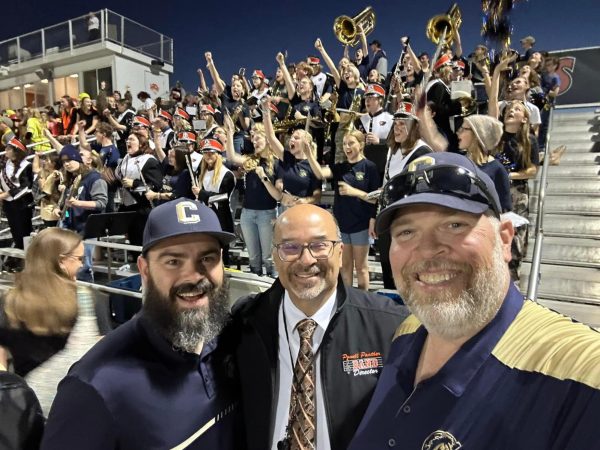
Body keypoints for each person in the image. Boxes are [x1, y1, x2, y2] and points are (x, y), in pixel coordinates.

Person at [349, 151, 600, 449]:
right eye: (406, 232)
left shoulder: (579, 374)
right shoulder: (407, 332)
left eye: (454, 224)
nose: (427, 250)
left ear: (505, 239)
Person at [42, 199, 243, 449]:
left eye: (207, 258)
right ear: (144, 270)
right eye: (173, 261)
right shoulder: (94, 387)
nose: (194, 275)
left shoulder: (234, 339)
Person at [232, 204, 408, 450]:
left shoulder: (391, 326)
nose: (306, 260)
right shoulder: (243, 325)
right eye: (290, 247)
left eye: (319, 245)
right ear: (275, 255)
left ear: (340, 252)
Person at [0, 228, 102, 414]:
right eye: (79, 259)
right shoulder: (86, 299)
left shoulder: (8, 302)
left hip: (30, 406)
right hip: (76, 404)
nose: (83, 264)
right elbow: (96, 353)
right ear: (62, 261)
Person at [305, 130, 379, 290]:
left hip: (361, 224)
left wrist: (354, 192)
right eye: (345, 144)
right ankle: (348, 302)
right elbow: (319, 173)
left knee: (361, 268)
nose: (347, 147)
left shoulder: (369, 167)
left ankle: (363, 302)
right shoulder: (340, 167)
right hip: (342, 223)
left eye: (351, 143)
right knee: (344, 268)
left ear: (361, 144)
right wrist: (310, 154)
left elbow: (375, 198)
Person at [0, 138, 34, 251]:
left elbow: (26, 186)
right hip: (9, 205)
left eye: (8, 148)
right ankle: (20, 258)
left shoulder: (27, 165)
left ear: (16, 151)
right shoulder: (6, 164)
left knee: (25, 232)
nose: (6, 150)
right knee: (15, 232)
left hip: (22, 204)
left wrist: (6, 194)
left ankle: (29, 258)